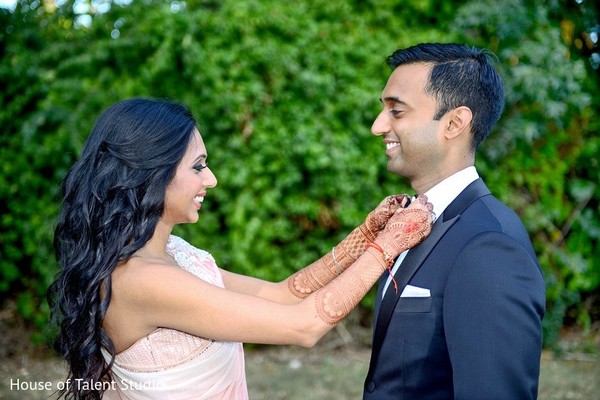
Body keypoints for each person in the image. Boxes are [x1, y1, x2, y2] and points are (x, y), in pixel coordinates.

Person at [47, 97, 434, 399]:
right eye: (198, 166)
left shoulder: (176, 254)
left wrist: (364, 237)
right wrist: (388, 246)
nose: (210, 180)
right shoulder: (141, 280)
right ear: (151, 172)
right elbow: (302, 326)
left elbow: (282, 294)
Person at [362, 43, 546, 399]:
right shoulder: (411, 221)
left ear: (454, 123)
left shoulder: (491, 246)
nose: (377, 126)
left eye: (396, 111)